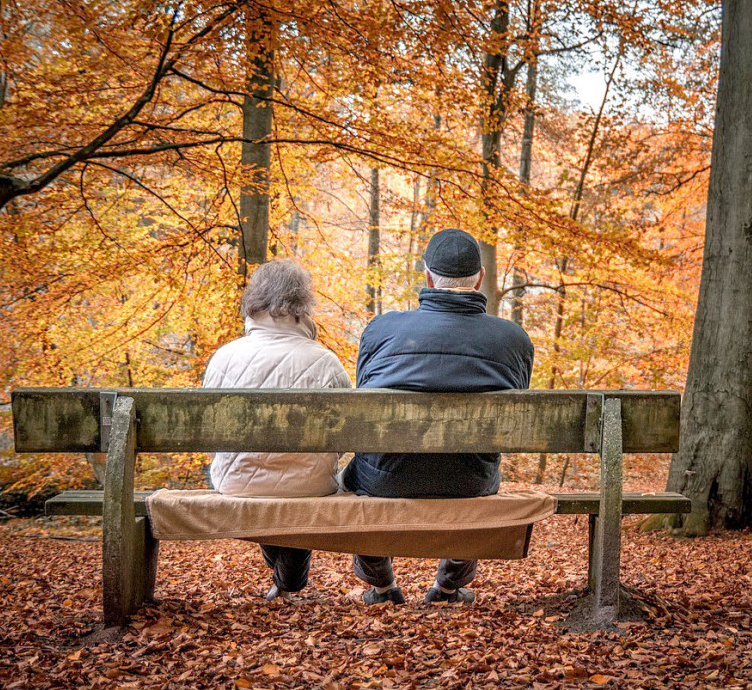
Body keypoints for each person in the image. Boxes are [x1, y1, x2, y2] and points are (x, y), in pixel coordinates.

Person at [340, 228, 534, 606]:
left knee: (361, 470)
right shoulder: (513, 340)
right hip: (468, 480)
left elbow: (365, 401)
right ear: (479, 279)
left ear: (427, 276)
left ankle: (381, 588)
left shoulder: (381, 330)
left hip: (386, 480)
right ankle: (447, 588)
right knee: (474, 467)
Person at [204, 258, 351, 601]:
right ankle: (290, 582)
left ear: (254, 302)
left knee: (268, 486)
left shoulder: (224, 357)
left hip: (235, 482)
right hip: (310, 484)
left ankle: (286, 583)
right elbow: (345, 436)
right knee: (298, 484)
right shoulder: (325, 360)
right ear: (303, 306)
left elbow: (211, 438)